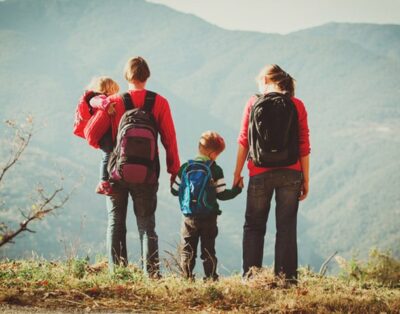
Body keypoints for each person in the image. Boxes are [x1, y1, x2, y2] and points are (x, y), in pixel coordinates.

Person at [103, 56, 180, 277]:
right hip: (147, 175)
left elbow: (92, 134)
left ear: (126, 75)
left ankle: (118, 274)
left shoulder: (115, 102)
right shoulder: (160, 102)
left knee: (116, 223)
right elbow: (169, 139)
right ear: (147, 76)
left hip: (117, 172)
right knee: (147, 226)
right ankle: (152, 275)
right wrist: (173, 169)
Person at [233, 64, 310, 282]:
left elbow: (243, 140)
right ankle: (286, 280)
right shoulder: (297, 105)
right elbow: (304, 144)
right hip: (291, 172)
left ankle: (251, 278)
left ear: (266, 80)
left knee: (254, 226)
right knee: (286, 227)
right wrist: (306, 179)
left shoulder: (253, 102)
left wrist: (237, 173)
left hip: (259, 172)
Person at [171, 131, 243, 280]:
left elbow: (174, 191)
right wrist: (237, 189)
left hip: (189, 216)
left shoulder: (185, 167)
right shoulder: (215, 170)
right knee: (208, 249)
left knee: (188, 249)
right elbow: (222, 195)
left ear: (199, 147)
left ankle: (187, 278)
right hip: (209, 217)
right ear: (213, 154)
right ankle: (210, 278)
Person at [73, 76, 120, 195]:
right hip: (103, 135)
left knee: (109, 155)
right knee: (107, 155)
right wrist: (107, 105)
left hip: (103, 133)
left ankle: (106, 180)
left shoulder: (100, 98)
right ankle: (103, 182)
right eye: (115, 90)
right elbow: (95, 102)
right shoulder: (97, 97)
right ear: (108, 89)